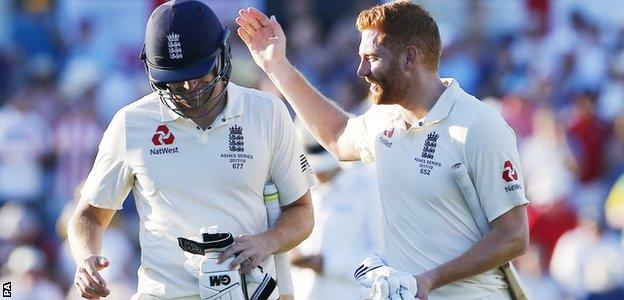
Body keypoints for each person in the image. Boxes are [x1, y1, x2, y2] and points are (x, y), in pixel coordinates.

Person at [236, 1, 529, 299]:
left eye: (372, 58)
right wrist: (276, 65)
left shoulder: (479, 125)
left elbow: (513, 236)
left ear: (409, 57)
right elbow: (338, 136)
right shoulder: (385, 117)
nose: (361, 70)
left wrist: (428, 280)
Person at [67, 1, 314, 299]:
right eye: (173, 79)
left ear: (222, 54)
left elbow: (301, 212)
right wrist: (85, 259)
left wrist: (267, 242)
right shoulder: (131, 123)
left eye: (198, 73)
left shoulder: (267, 112)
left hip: (247, 292)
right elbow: (89, 215)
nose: (187, 87)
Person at [290, 120, 381, 300]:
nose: (318, 173)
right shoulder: (301, 188)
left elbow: (381, 257)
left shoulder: (368, 188)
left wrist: (327, 264)